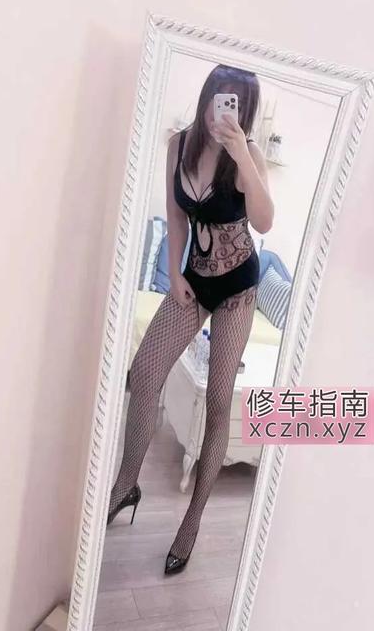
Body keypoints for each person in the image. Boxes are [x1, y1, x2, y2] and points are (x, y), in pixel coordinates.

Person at [106, 64, 274, 575]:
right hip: (194, 279)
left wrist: (242, 152)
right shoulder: (179, 144)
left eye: (238, 103)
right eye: (221, 97)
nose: (225, 110)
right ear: (207, 97)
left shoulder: (248, 154)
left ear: (245, 112)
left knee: (219, 401)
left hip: (239, 287)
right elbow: (175, 214)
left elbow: (264, 222)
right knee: (144, 372)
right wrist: (176, 273)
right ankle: (126, 484)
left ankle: (192, 521)